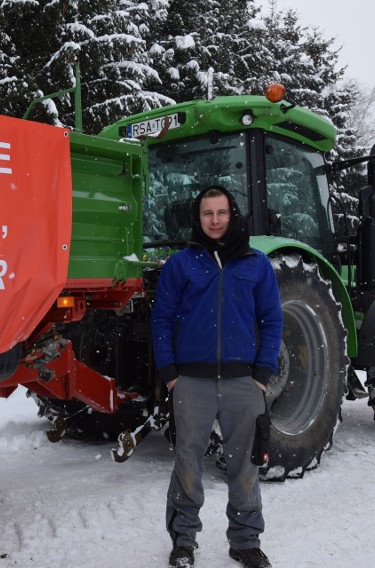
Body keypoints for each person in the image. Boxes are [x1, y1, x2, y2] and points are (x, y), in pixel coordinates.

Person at [151, 185, 283, 568]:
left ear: (232, 215)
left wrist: (262, 372)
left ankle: (244, 541)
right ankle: (184, 542)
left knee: (245, 466)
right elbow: (161, 319)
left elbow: (271, 320)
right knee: (187, 463)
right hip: (191, 382)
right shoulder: (181, 264)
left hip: (244, 383)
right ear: (199, 217)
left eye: (221, 213)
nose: (214, 221)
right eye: (207, 214)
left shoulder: (256, 264)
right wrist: (171, 374)